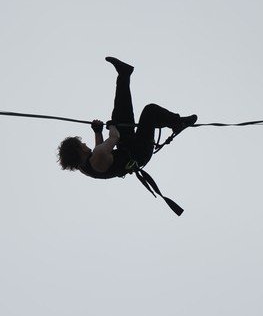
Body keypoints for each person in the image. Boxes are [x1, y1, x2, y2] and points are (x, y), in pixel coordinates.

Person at [57, 57, 197, 215]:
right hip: (139, 152)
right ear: (79, 151)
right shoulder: (97, 156)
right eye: (81, 145)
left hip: (128, 147)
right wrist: (110, 126)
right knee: (149, 111)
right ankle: (177, 123)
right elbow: (114, 137)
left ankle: (124, 74)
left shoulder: (84, 167)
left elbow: (101, 151)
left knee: (120, 115)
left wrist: (97, 131)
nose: (84, 145)